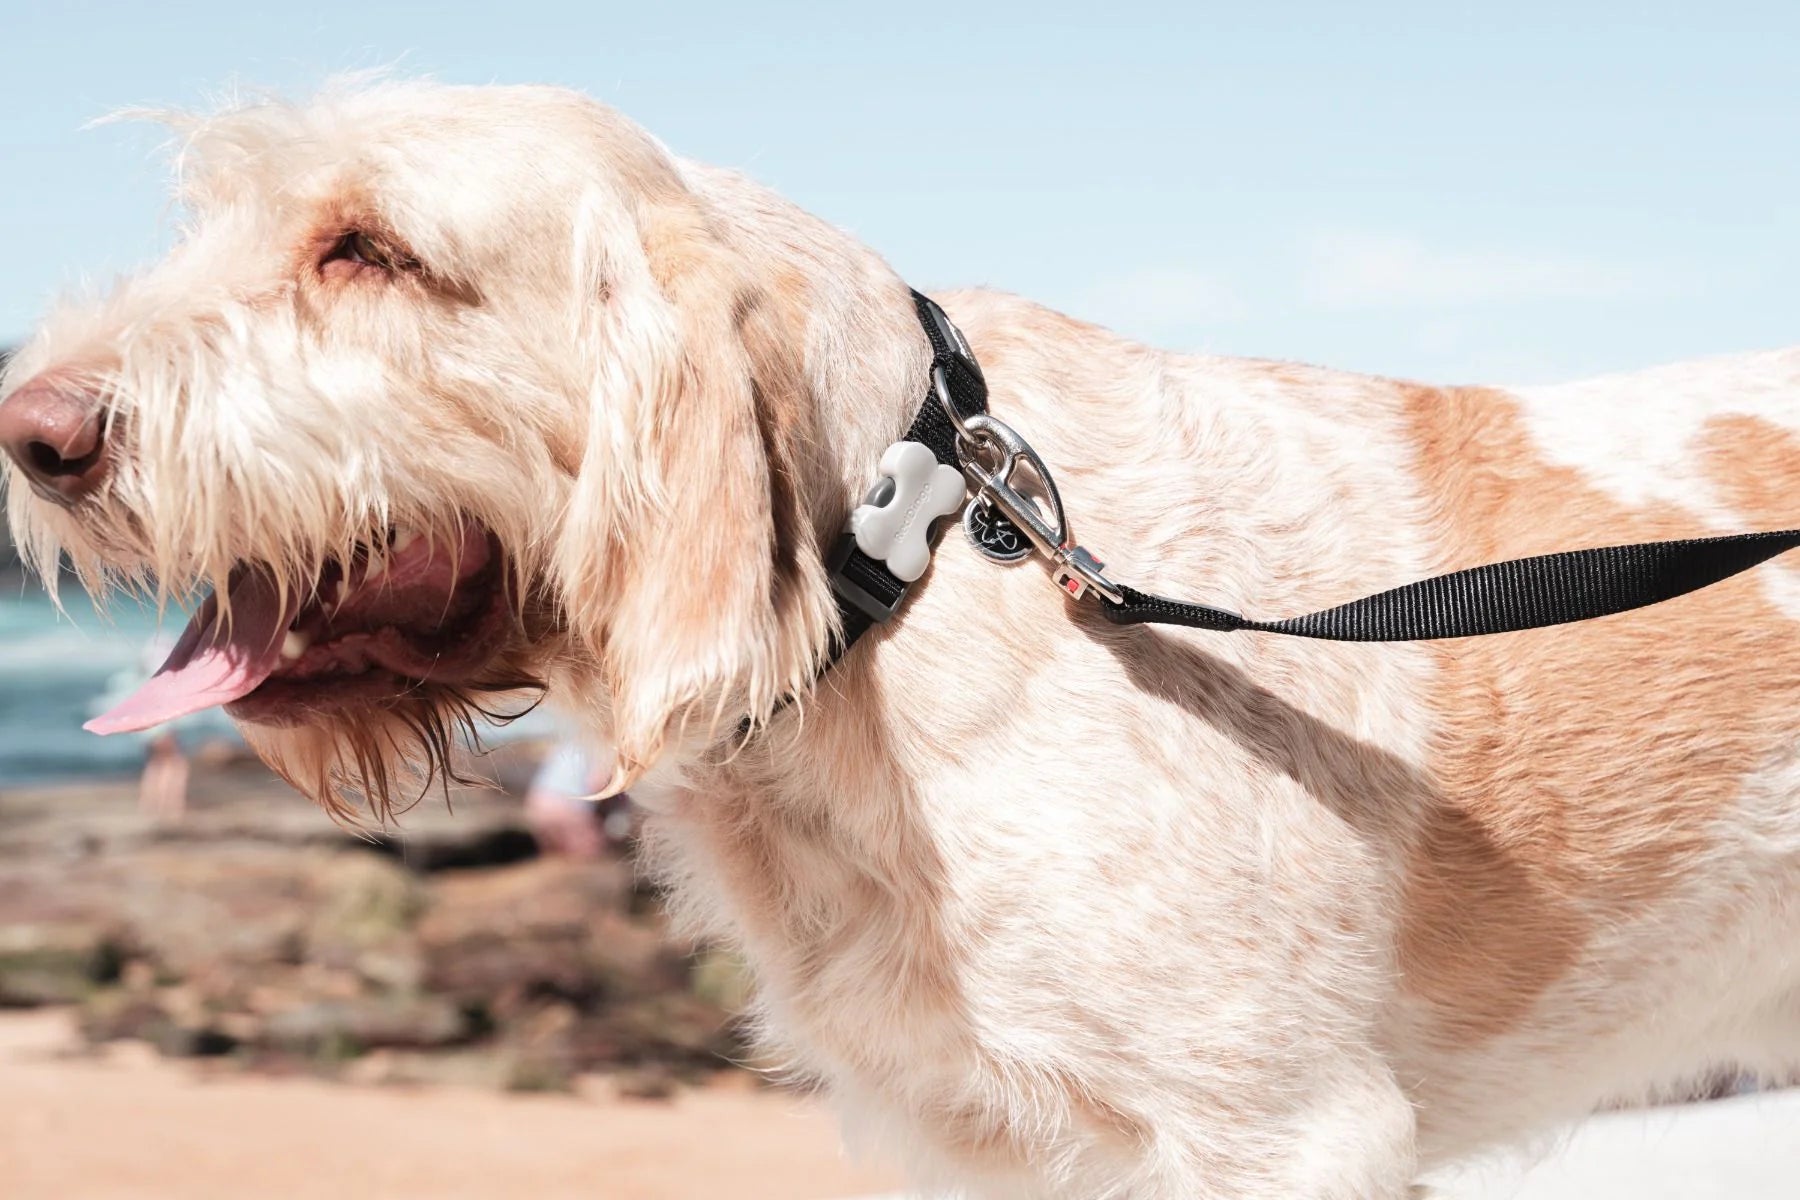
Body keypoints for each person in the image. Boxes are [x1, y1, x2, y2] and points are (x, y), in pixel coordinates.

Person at [523, 735, 633, 859]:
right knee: (590, 849)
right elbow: (597, 783)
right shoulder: (611, 748)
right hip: (566, 805)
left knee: (559, 852)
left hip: (538, 802)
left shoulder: (579, 740)